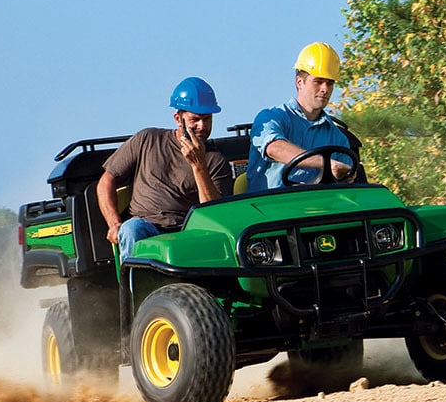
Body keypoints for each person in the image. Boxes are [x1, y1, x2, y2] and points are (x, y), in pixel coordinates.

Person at [98, 77, 233, 261]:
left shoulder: (216, 161)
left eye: (207, 119)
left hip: (186, 231)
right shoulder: (147, 139)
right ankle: (132, 288)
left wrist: (199, 165)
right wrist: (114, 224)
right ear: (178, 119)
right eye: (195, 119)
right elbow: (106, 181)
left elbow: (215, 215)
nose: (202, 126)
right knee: (130, 229)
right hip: (145, 225)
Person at [245, 42, 353, 192]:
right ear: (299, 82)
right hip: (269, 210)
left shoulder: (338, 138)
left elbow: (344, 184)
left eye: (330, 83)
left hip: (318, 210)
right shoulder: (270, 118)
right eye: (318, 81)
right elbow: (274, 148)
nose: (325, 89)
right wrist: (326, 163)